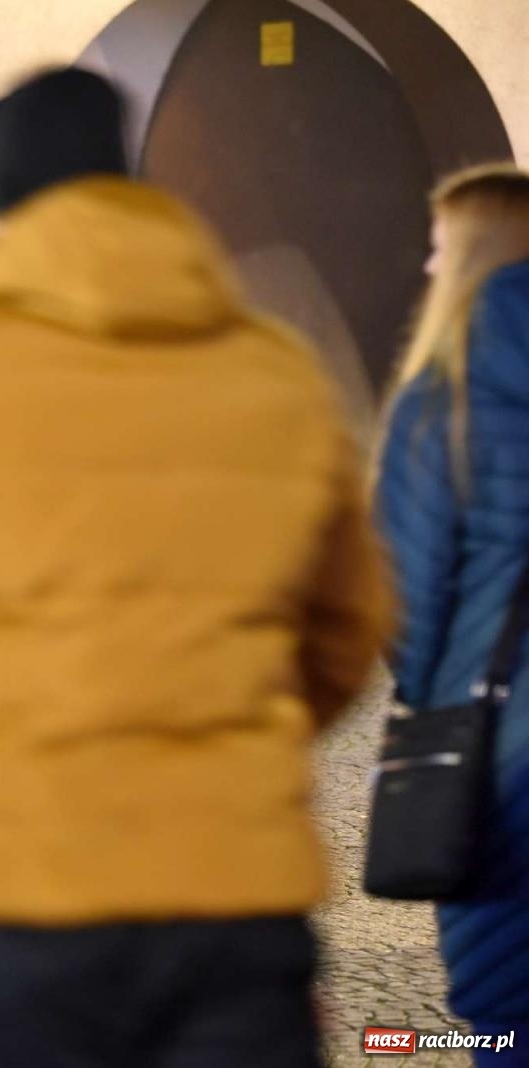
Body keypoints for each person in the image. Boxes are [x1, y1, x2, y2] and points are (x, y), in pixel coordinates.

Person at [0, 68, 393, 1067]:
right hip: (234, 892)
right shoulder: (271, 373)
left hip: (14, 892)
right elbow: (346, 632)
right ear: (129, 180)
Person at [375, 163, 529, 1066]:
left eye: (439, 249)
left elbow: (408, 607)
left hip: (503, 763)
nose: (431, 269)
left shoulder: (445, 400)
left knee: (509, 1017)